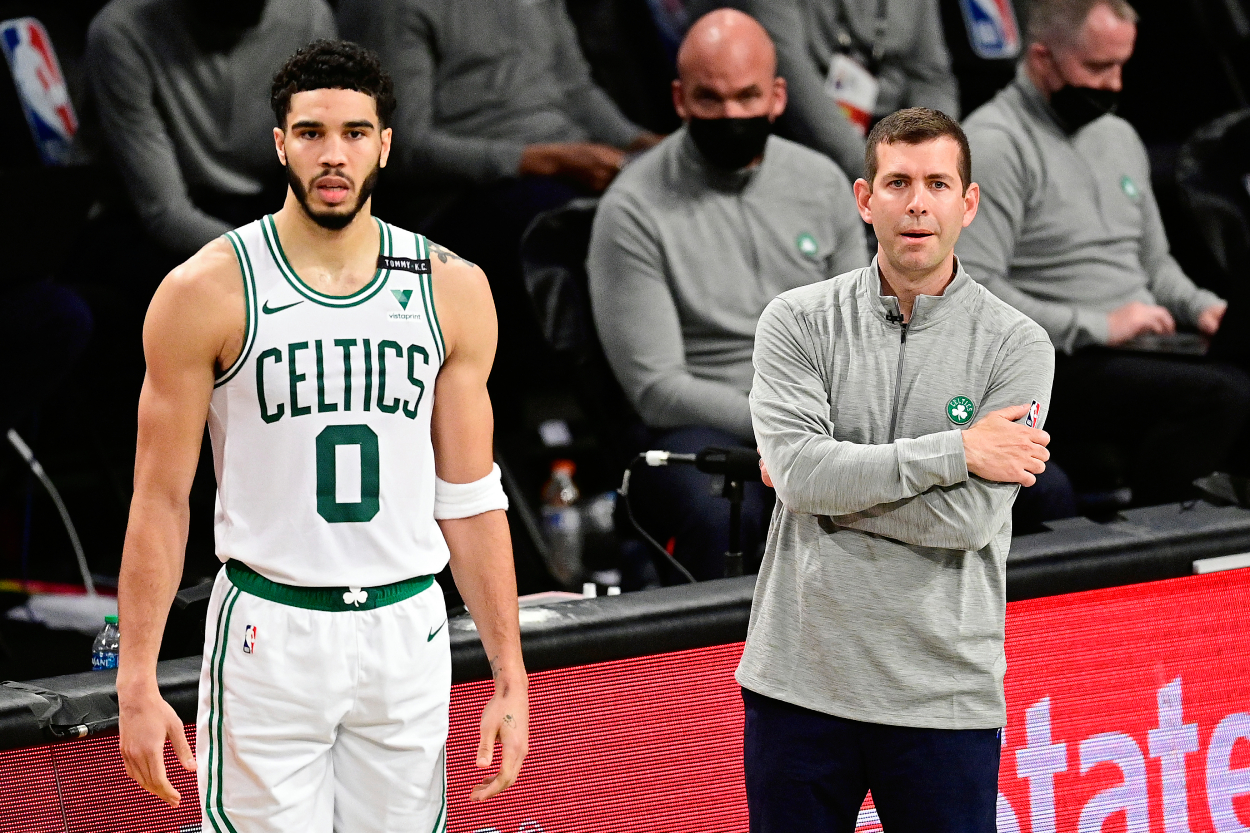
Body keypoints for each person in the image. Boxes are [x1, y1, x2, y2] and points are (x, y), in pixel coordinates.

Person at [115, 41, 528, 831]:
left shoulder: (452, 286)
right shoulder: (205, 289)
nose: (332, 154)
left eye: (353, 132)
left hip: (408, 624)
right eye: (310, 132)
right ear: (279, 143)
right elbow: (161, 499)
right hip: (272, 626)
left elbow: (471, 496)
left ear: (385, 143)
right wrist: (136, 673)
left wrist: (510, 670)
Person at [743, 108, 1053, 831]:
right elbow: (800, 475)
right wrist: (957, 451)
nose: (918, 202)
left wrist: (825, 483)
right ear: (865, 198)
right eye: (899, 182)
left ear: (968, 203)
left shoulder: (1018, 345)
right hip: (799, 689)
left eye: (938, 183)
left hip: (941, 698)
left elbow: (969, 518)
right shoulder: (795, 321)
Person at [587, 9, 867, 581]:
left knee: (1014, 481)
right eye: (710, 99)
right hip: (709, 422)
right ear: (679, 99)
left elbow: (861, 333)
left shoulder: (821, 181)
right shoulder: (632, 208)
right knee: (722, 515)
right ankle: (719, 672)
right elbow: (657, 390)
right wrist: (788, 428)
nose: (731, 114)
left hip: (828, 412)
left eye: (746, 96)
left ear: (778, 96)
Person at [958, 0, 1250, 504]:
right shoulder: (991, 144)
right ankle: (1159, 542)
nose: (1115, 84)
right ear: (1042, 57)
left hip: (1144, 347)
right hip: (1061, 360)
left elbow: (1155, 265)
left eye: (1121, 65)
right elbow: (976, 293)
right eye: (1097, 67)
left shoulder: (1119, 136)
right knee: (1221, 395)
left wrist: (1204, 307)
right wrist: (1100, 324)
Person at [339, 0, 663, 423]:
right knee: (575, 227)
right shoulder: (397, 9)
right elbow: (404, 147)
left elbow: (576, 91)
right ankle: (599, 423)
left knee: (678, 199)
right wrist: (540, 160)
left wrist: (648, 147)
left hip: (568, 168)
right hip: (467, 196)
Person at [86, 0, 337, 258]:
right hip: (150, 223)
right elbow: (165, 213)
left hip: (267, 205)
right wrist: (274, 261)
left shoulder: (308, 16)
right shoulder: (123, 30)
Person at [690, 0, 959, 180]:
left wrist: (932, 154)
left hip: (898, 137)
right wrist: (877, 174)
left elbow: (931, 74)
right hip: (805, 143)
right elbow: (794, 79)